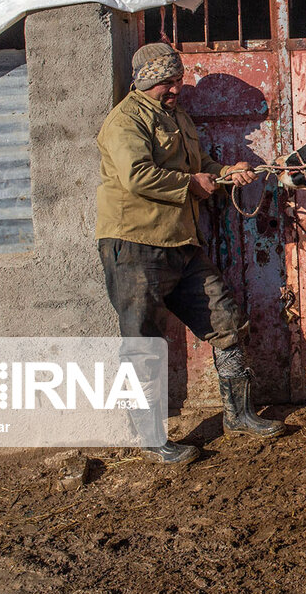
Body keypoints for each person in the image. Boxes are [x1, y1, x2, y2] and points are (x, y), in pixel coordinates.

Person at [96, 42, 283, 465]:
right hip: (135, 244)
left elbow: (199, 165)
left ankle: (238, 415)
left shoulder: (177, 117)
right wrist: (192, 185)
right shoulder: (125, 120)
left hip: (180, 241)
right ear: (145, 80)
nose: (176, 88)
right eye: (167, 81)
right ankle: (151, 439)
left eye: (178, 79)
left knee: (225, 319)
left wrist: (225, 172)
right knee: (143, 341)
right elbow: (137, 176)